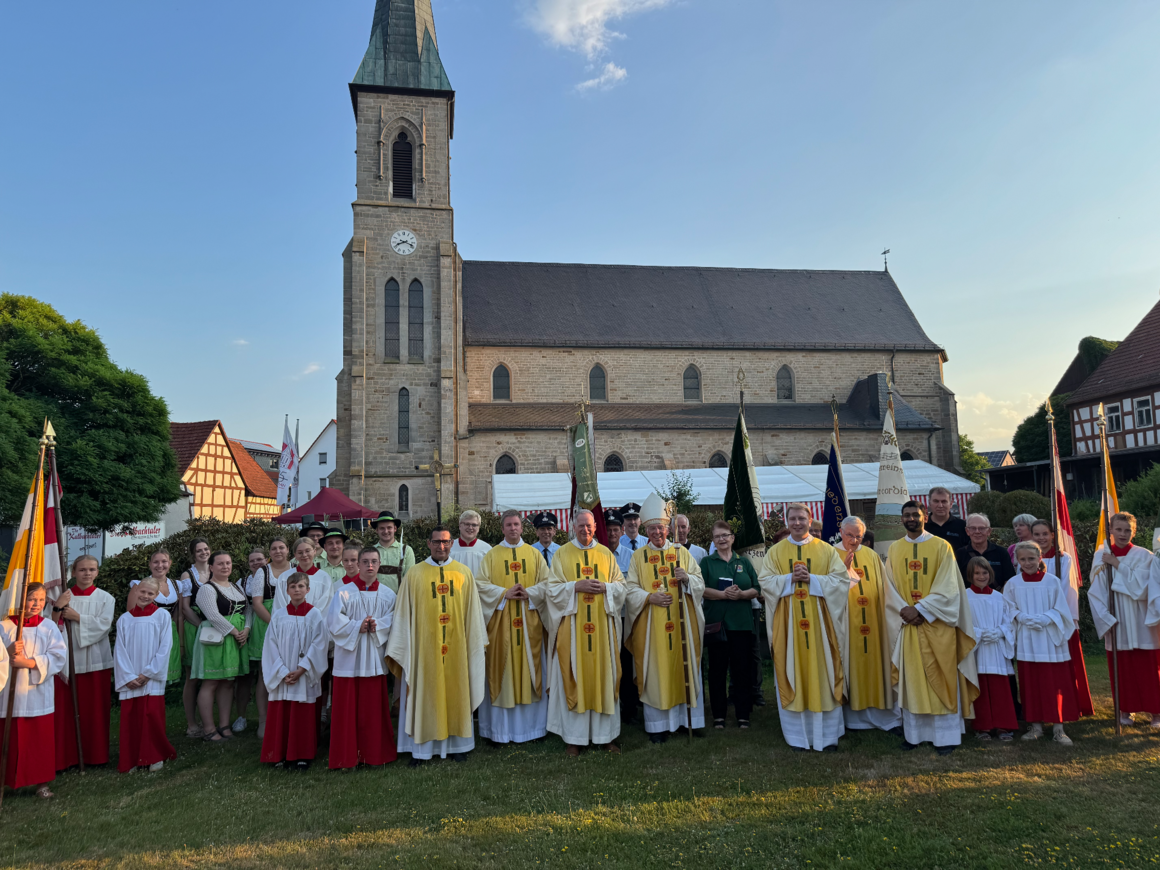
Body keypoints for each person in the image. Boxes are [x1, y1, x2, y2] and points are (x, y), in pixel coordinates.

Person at [884, 500, 979, 755]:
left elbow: (949, 587)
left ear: (924, 516)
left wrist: (921, 609)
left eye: (915, 514)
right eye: (906, 515)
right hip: (908, 627)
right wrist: (905, 610)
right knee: (913, 679)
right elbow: (889, 587)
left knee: (941, 677)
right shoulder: (895, 549)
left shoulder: (941, 546)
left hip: (938, 624)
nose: (911, 518)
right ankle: (914, 735)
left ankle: (945, 737)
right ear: (901, 519)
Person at [387, 527, 487, 766]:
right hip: (423, 650)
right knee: (424, 692)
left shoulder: (463, 573)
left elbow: (473, 614)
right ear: (428, 544)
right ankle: (421, 750)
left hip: (457, 648)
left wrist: (473, 642)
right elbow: (403, 614)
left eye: (445, 542)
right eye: (436, 542)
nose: (441, 546)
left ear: (451, 543)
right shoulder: (414, 574)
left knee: (456, 691)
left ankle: (458, 746)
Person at [759, 503, 849, 751]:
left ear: (810, 521)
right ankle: (797, 737)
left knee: (824, 672)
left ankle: (827, 737)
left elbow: (841, 581)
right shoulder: (775, 552)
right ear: (787, 522)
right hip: (788, 625)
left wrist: (813, 579)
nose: (797, 523)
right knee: (792, 669)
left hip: (821, 625)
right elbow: (765, 581)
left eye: (801, 518)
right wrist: (790, 579)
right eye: (792, 519)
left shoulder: (826, 550)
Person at [539, 509, 628, 755]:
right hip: (573, 630)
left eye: (589, 526)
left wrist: (607, 588)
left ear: (595, 527)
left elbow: (622, 588)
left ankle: (606, 737)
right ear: (573, 527)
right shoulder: (562, 554)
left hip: (602, 631)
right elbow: (551, 590)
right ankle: (574, 739)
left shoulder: (606, 555)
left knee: (604, 677)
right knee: (574, 676)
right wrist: (575, 586)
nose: (585, 530)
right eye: (581, 526)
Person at [625, 493, 706, 743]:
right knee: (656, 670)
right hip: (651, 627)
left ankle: (686, 721)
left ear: (668, 529)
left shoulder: (682, 553)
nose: (657, 532)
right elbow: (630, 589)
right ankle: (658, 726)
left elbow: (700, 582)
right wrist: (649, 598)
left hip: (682, 623)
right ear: (646, 531)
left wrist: (687, 579)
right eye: (652, 529)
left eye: (660, 528)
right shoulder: (638, 557)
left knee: (683, 666)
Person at [475, 510, 549, 744]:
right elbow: (480, 585)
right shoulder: (491, 555)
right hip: (500, 626)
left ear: (522, 527)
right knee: (502, 673)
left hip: (529, 625)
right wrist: (503, 593)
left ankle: (533, 730)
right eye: (508, 525)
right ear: (502, 528)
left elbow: (548, 584)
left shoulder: (534, 554)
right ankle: (499, 732)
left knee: (530, 671)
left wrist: (531, 593)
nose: (513, 528)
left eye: (516, 524)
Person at [1004, 541, 1079, 745]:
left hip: (1050, 638)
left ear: (1040, 558)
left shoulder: (1052, 581)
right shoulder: (1013, 584)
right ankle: (1035, 726)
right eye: (1023, 559)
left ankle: (1058, 728)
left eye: (1031, 558)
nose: (1027, 563)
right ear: (1017, 561)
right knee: (1031, 683)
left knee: (1054, 682)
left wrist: (1047, 618)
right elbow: (1007, 608)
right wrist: (1021, 616)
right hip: (1027, 638)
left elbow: (1062, 608)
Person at [328, 549, 398, 769]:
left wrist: (378, 625)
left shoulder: (388, 594)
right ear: (357, 564)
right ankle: (346, 756)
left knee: (372, 710)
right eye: (365, 562)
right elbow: (333, 622)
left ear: (379, 564)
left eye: (374, 562)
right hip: (348, 659)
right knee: (346, 710)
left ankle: (374, 754)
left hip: (373, 659)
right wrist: (357, 626)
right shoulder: (343, 592)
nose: (370, 566)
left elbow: (394, 619)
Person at [1090, 512, 1160, 729]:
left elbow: (1143, 588)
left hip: (1141, 619)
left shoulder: (1145, 556)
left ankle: (1156, 712)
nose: (1122, 534)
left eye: (1127, 530)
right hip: (1117, 618)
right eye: (1118, 529)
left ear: (1134, 532)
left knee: (1149, 668)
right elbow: (1096, 591)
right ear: (1110, 530)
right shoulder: (1101, 555)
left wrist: (1117, 565)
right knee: (1123, 669)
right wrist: (1105, 619)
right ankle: (1125, 709)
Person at [835, 516, 901, 734]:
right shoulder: (831, 554)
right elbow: (828, 589)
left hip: (874, 621)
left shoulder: (871, 556)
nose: (854, 540)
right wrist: (843, 571)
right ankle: (853, 720)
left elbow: (884, 588)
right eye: (850, 535)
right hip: (846, 623)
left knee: (877, 664)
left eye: (859, 536)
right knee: (850, 664)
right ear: (841, 532)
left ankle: (884, 718)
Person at [1, 583, 66, 799]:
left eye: (41, 599)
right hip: (8, 696)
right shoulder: (4, 626)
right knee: (8, 739)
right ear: (19, 599)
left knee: (39, 740)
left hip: (37, 693)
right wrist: (8, 652)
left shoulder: (49, 627)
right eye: (31, 599)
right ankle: (5, 781)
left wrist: (28, 663)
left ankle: (41, 783)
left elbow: (58, 657)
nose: (37, 604)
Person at [260, 572, 328, 770]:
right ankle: (279, 754)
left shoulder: (315, 615)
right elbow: (270, 646)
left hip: (303, 674)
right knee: (282, 713)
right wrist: (281, 672)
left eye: (301, 586)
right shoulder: (279, 616)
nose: (297, 590)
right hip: (283, 674)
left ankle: (302, 755)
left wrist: (302, 669)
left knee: (302, 715)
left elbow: (319, 645)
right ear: (287, 591)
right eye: (293, 587)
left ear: (308, 590)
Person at [53, 554, 115, 770]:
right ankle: (67, 756)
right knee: (67, 710)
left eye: (91, 569)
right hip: (68, 660)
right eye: (82, 569)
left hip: (96, 659)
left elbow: (104, 626)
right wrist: (59, 608)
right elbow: (51, 626)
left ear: (97, 572)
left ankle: (95, 755)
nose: (87, 573)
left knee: (94, 710)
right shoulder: (64, 597)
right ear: (73, 572)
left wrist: (78, 617)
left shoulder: (106, 598)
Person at [1030, 519, 1093, 717]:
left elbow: (1067, 590)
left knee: (1064, 667)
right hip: (1036, 621)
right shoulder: (1028, 559)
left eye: (1045, 534)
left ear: (1052, 535)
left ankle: (1070, 705)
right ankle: (1045, 705)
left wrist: (1054, 616)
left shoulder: (1063, 559)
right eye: (1037, 534)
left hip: (1058, 620)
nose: (1041, 538)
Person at [113, 577, 177, 772]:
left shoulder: (162, 616)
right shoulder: (125, 619)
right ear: (136, 591)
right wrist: (128, 677)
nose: (145, 596)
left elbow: (165, 647)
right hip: (131, 677)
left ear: (156, 595)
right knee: (131, 718)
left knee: (151, 716)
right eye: (142, 592)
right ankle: (131, 758)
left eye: (150, 593)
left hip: (151, 677)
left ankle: (154, 756)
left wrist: (148, 673)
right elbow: (119, 650)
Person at [700, 521, 759, 729]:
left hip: (741, 624)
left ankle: (743, 714)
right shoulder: (707, 563)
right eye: (717, 536)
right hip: (717, 624)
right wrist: (723, 594)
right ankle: (719, 715)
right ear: (713, 541)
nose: (722, 539)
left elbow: (756, 588)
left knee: (742, 670)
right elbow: (701, 589)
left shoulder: (744, 562)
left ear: (732, 538)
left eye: (725, 535)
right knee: (717, 671)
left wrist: (742, 595)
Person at [192, 551, 251, 743]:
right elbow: (212, 615)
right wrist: (234, 631)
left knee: (228, 681)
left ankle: (224, 726)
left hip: (236, 638)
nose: (225, 566)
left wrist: (246, 629)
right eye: (220, 563)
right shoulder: (207, 589)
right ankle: (209, 729)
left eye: (228, 563)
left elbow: (247, 610)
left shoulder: (236, 586)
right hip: (216, 638)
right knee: (211, 682)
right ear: (211, 567)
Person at [963, 558, 1017, 741]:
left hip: (996, 648)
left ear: (990, 574)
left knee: (1000, 688)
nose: (981, 576)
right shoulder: (964, 597)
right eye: (977, 573)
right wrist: (979, 633)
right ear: (970, 575)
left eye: (985, 572)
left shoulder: (998, 597)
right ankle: (982, 726)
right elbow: (961, 624)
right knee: (980, 687)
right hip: (977, 648)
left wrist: (999, 632)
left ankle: (1004, 725)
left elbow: (1008, 622)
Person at [129, 549, 184, 688]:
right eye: (156, 562)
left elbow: (178, 615)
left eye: (164, 561)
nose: (160, 565)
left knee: (162, 677)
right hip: (147, 633)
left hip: (170, 633)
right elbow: (131, 615)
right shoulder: (139, 585)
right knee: (146, 673)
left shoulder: (177, 585)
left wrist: (181, 643)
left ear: (170, 563)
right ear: (150, 564)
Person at [603, 508, 638, 724]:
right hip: (603, 617)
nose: (612, 533)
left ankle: (630, 708)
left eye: (616, 529)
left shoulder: (631, 556)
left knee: (626, 661)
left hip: (624, 617)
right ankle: (609, 705)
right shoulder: (597, 555)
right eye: (608, 529)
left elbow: (632, 587)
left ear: (622, 531)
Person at [179, 537, 211, 738]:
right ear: (193, 554)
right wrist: (202, 626)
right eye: (199, 550)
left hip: (214, 626)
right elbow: (185, 607)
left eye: (206, 549)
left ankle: (208, 720)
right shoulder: (187, 575)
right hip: (195, 626)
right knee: (192, 677)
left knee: (211, 675)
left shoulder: (215, 570)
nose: (203, 553)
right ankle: (191, 723)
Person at [244, 546, 277, 739]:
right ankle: (263, 720)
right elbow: (254, 605)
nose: (256, 563)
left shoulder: (292, 567)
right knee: (264, 674)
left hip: (289, 619)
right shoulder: (259, 576)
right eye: (252, 560)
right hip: (265, 623)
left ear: (266, 559)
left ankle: (280, 716)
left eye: (259, 559)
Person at [954, 513, 1016, 591]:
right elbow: (955, 581)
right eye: (973, 528)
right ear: (967, 531)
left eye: (981, 528)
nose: (977, 531)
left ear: (989, 531)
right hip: (968, 598)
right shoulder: (960, 554)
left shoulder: (1001, 552)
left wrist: (999, 597)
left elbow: (1009, 580)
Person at [273, 538, 333, 615]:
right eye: (300, 552)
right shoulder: (284, 577)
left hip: (315, 620)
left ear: (314, 551)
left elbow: (326, 606)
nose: (304, 555)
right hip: (288, 620)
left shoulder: (324, 578)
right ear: (295, 555)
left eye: (307, 551)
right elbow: (279, 604)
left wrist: (311, 617)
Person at [371, 511, 416, 594]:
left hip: (399, 599)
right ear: (377, 530)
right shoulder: (370, 551)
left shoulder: (406, 550)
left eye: (389, 527)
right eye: (382, 528)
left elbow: (410, 580)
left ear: (395, 529)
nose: (386, 531)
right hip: (374, 599)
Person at [450, 510, 492, 576]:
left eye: (474, 525)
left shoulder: (487, 549)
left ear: (478, 528)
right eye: (467, 524)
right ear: (460, 526)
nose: (470, 528)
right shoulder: (449, 547)